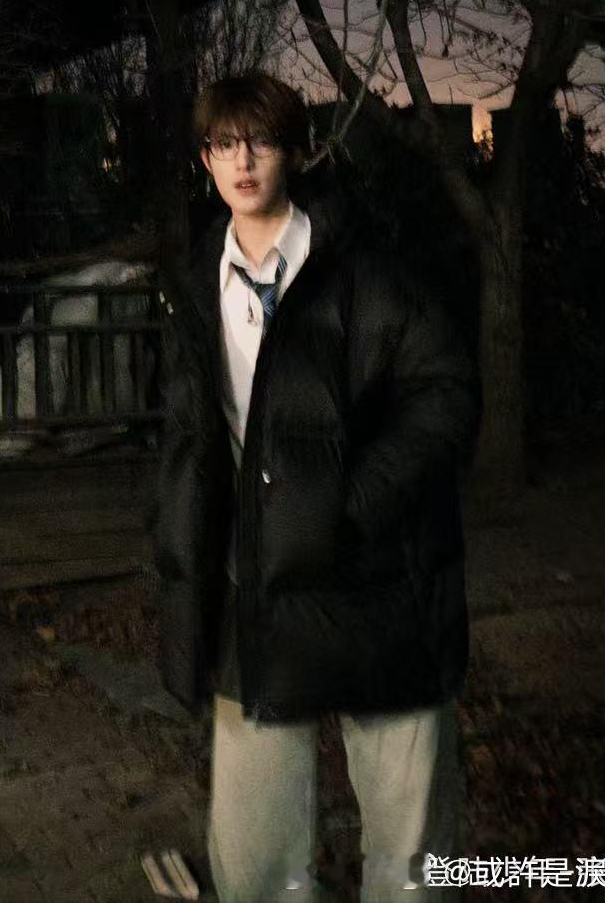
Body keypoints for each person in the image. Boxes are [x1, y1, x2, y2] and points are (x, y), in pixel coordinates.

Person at [155, 73, 479, 902]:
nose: (243, 161)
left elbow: (443, 396)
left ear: (294, 152)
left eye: (261, 141)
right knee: (257, 858)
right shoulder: (194, 282)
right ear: (204, 159)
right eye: (224, 144)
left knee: (411, 855)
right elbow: (195, 437)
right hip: (258, 591)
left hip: (381, 585)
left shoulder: (369, 265)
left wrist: (350, 508)